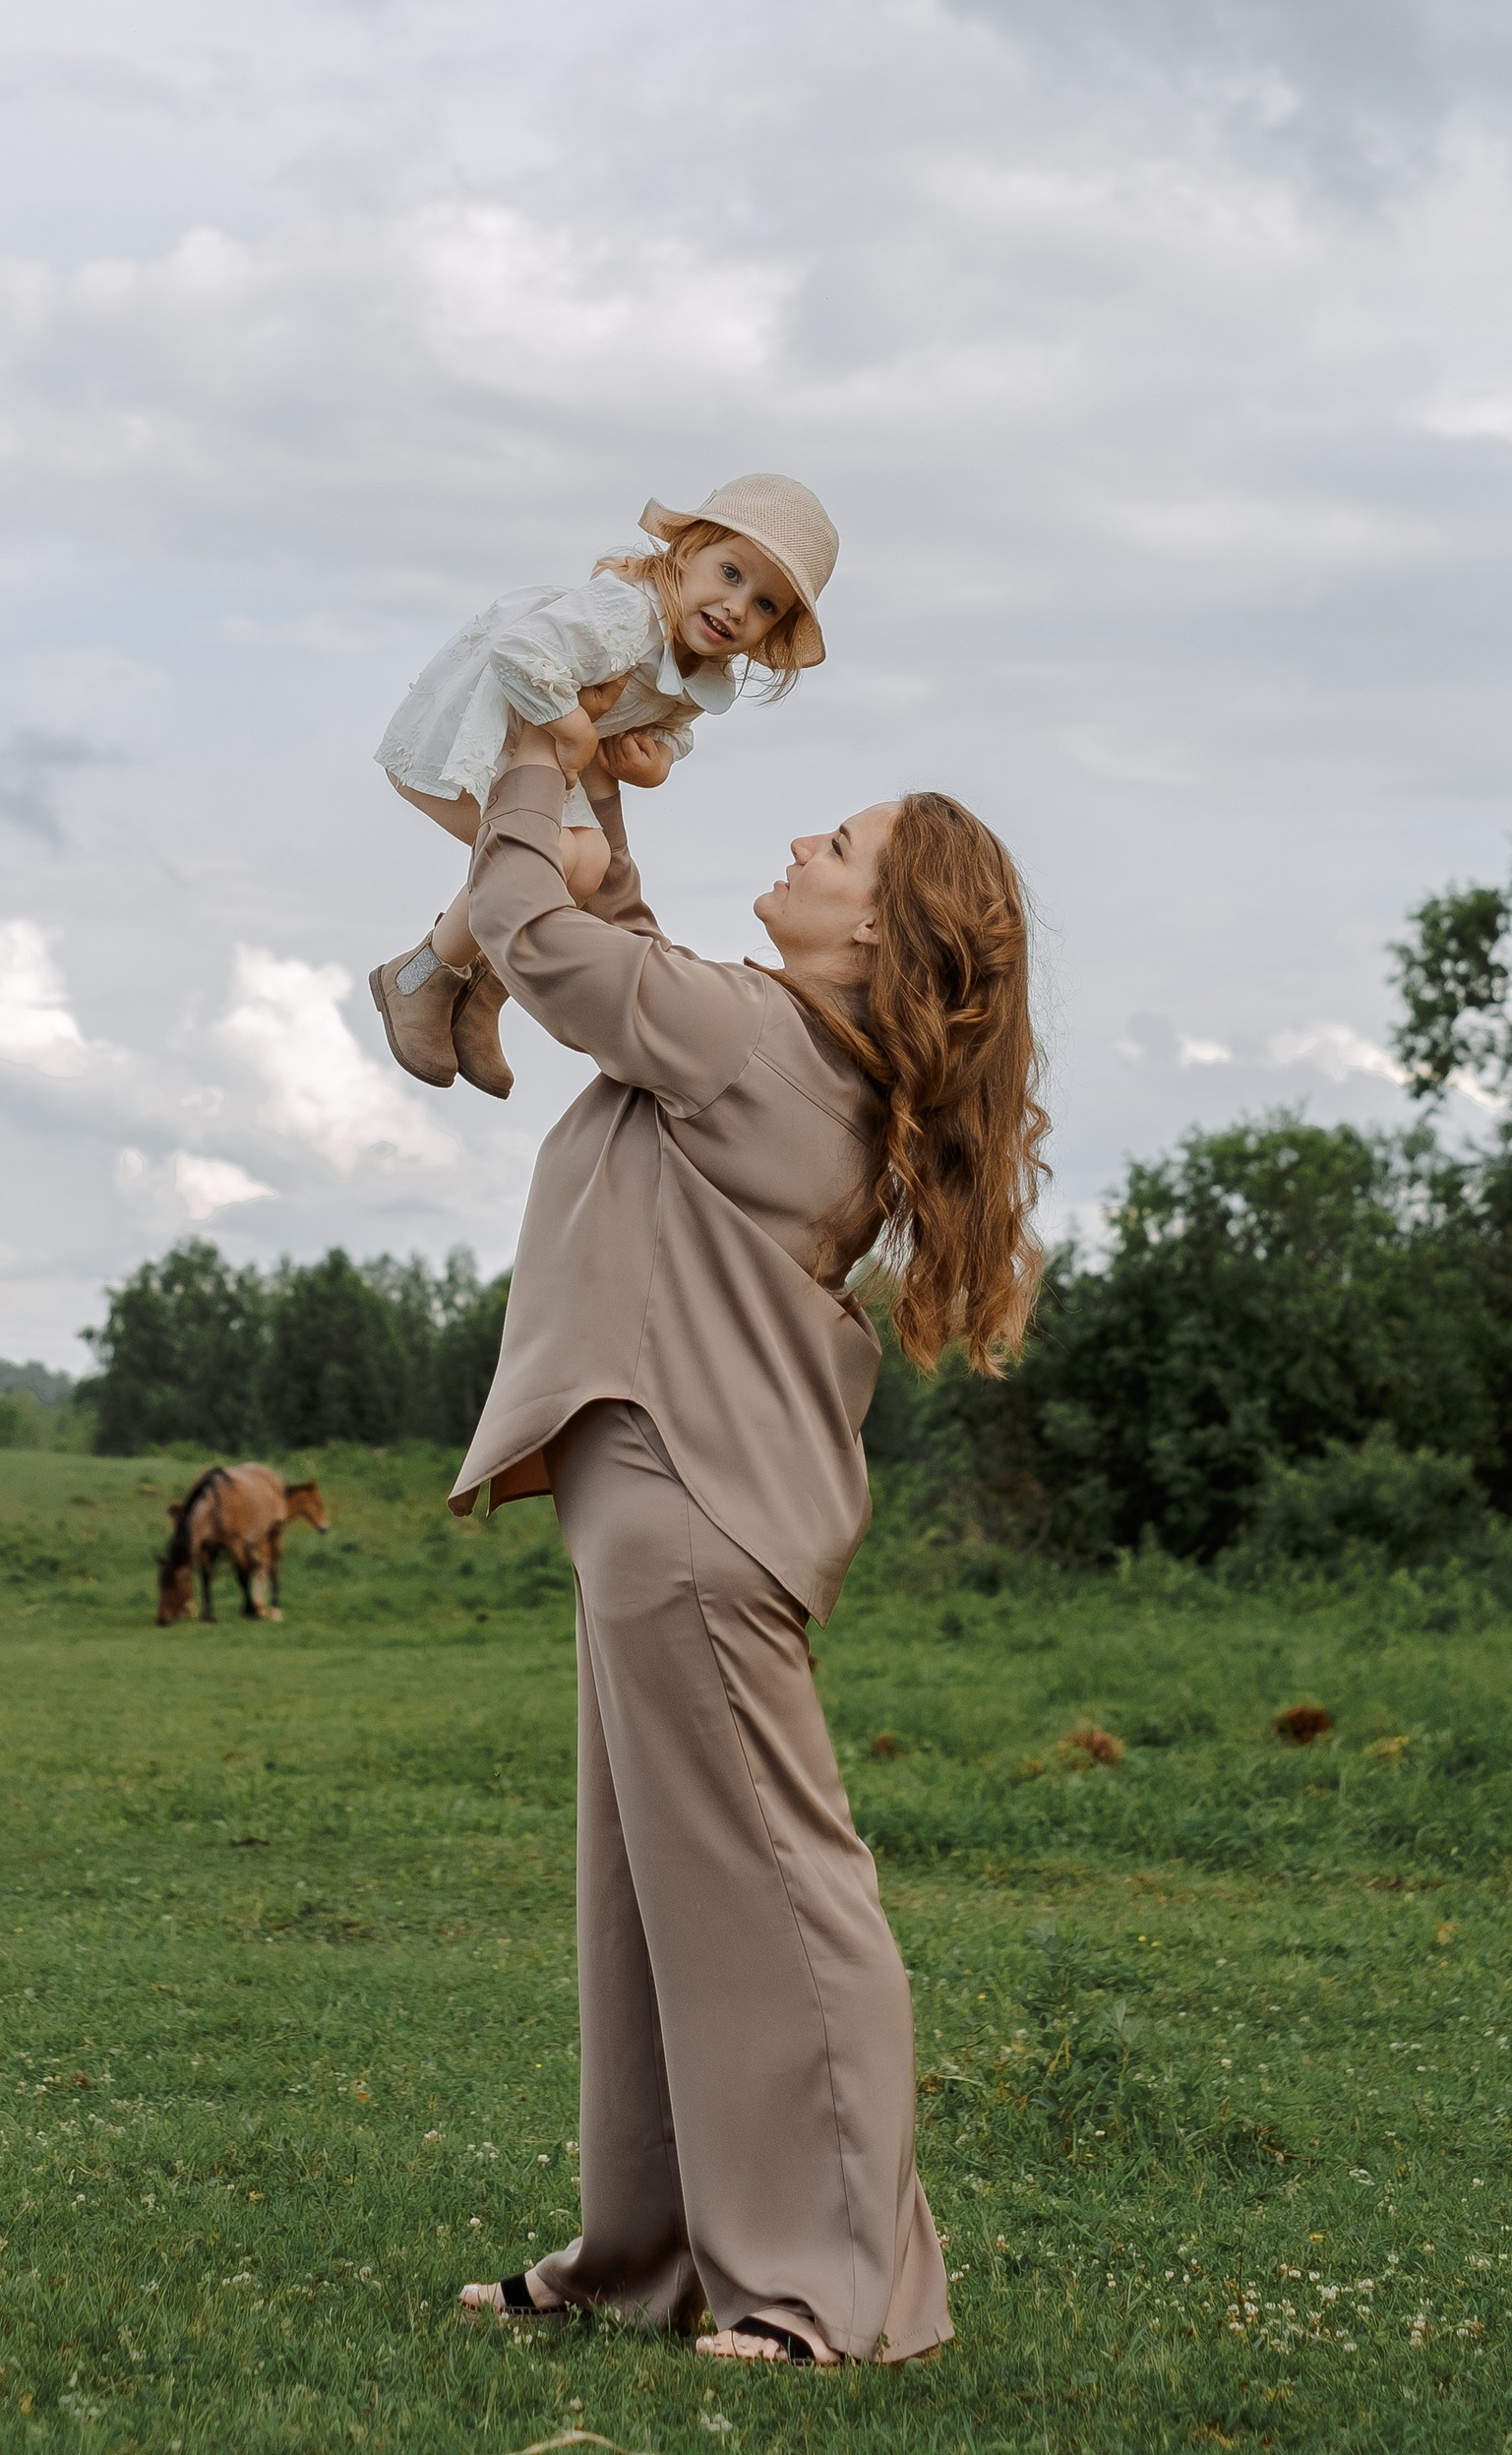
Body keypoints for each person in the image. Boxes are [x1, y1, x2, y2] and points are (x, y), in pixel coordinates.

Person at [445, 695, 1046, 2367]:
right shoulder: (776, 1046)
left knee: (780, 1900)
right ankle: (638, 2260)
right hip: (659, 1497)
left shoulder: (749, 1038)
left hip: (686, 1503)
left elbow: (537, 935)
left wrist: (535, 761)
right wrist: (601, 795)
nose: (799, 842)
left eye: (837, 845)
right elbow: (625, 948)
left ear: (879, 934)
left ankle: (830, 2288)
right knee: (651, 1915)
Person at [370, 473, 837, 1099]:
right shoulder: (628, 610)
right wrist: (575, 731)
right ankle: (421, 975)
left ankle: (482, 993)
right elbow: (518, 654)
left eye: (765, 606)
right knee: (550, 861)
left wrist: (654, 763)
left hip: (543, 760)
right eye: (731, 574)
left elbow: (671, 729)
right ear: (686, 551)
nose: (737, 607)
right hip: (475, 737)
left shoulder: (700, 662)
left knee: (585, 865)